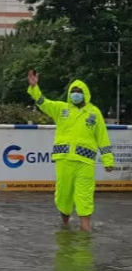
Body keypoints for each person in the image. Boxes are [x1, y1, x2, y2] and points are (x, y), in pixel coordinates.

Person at [27, 70, 114, 232]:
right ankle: (65, 225)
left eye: (79, 92)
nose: (76, 95)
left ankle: (85, 228)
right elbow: (42, 102)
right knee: (63, 194)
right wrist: (34, 87)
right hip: (64, 160)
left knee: (84, 195)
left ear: (85, 94)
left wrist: (108, 161)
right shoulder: (61, 109)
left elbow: (103, 138)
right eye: (73, 92)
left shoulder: (94, 113)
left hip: (85, 162)